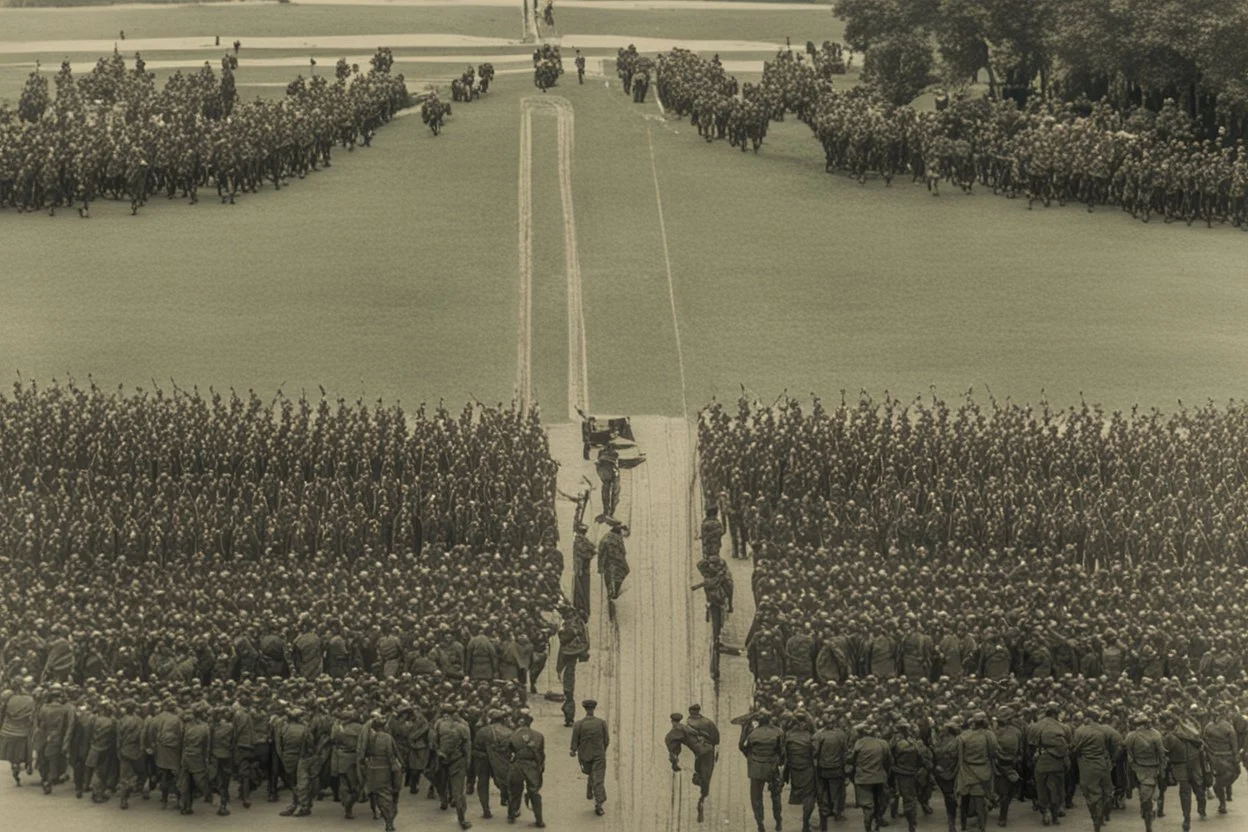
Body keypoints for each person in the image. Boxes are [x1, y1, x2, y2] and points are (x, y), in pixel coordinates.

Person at [1161, 710, 1208, 831]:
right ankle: (1194, 813)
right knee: (1194, 788)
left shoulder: (1169, 736)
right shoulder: (1187, 730)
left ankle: (1189, 816)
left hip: (1185, 764)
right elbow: (1198, 735)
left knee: (1188, 790)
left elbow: (1164, 752)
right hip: (1192, 762)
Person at [742, 708, 786, 832]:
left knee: (756, 798)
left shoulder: (753, 733)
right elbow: (782, 752)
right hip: (772, 768)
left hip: (756, 769)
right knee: (776, 797)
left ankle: (760, 823)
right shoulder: (778, 732)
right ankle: (778, 822)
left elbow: (745, 748)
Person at [1072, 708, 1115, 832]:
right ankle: (1103, 811)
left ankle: (1096, 816)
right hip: (1103, 764)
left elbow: (1075, 749)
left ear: (1088, 718)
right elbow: (1113, 745)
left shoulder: (1080, 731)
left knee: (1090, 794)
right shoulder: (1105, 730)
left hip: (1087, 766)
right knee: (1106, 791)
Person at [955, 712, 999, 832]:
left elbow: (959, 757)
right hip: (983, 771)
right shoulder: (989, 735)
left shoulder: (963, 736)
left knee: (964, 800)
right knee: (981, 803)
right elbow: (994, 753)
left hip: (966, 770)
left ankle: (963, 826)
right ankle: (982, 827)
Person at [358, 712, 402, 832]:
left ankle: (376, 811)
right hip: (385, 768)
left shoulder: (368, 738)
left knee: (375, 794)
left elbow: (363, 754)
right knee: (388, 795)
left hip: (371, 768)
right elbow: (393, 754)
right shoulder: (387, 738)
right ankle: (389, 822)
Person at [432, 703, 473, 829]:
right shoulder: (463, 726)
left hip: (441, 759)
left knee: (440, 782)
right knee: (458, 792)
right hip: (457, 760)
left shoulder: (438, 724)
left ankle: (443, 800)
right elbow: (467, 747)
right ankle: (462, 819)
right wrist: (467, 762)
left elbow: (433, 742)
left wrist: (439, 752)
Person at [1029, 701, 1070, 826]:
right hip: (1057, 761)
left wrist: (1032, 760)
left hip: (1041, 760)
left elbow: (1030, 746)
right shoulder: (1063, 727)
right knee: (1056, 788)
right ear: (1056, 713)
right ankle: (1055, 814)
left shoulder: (1035, 726)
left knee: (1041, 788)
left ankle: (1045, 812)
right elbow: (1069, 746)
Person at [1124, 713, 1167, 832]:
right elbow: (1162, 755)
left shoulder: (1134, 735)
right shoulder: (1154, 735)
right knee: (1145, 797)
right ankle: (1148, 815)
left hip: (1147, 771)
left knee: (1146, 798)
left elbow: (1161, 754)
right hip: (1143, 770)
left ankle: (1148, 819)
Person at [849, 722, 891, 832]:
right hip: (880, 778)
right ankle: (877, 824)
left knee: (868, 807)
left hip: (863, 779)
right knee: (880, 802)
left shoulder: (859, 744)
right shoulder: (883, 743)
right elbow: (889, 762)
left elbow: (852, 760)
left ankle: (868, 828)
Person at [507, 709, 545, 827]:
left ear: (520, 722)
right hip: (532, 766)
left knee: (515, 791)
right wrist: (541, 767)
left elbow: (508, 753)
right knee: (534, 792)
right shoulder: (539, 736)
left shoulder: (512, 735)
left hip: (517, 765)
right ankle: (539, 819)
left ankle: (512, 815)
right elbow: (542, 754)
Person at [571, 699, 609, 815]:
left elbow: (575, 741)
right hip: (598, 755)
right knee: (599, 779)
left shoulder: (579, 724)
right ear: (593, 709)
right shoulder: (601, 723)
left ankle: (593, 793)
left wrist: (573, 750)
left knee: (592, 773)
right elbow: (606, 740)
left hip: (584, 756)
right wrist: (602, 751)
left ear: (585, 709)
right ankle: (599, 804)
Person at [33, 685, 73, 795]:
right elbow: (69, 726)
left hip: (43, 737)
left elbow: (39, 722)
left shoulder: (44, 707)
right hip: (56, 738)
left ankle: (44, 778)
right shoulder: (65, 709)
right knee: (54, 762)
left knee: (43, 760)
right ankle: (49, 781)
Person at [473, 709, 512, 819]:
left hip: (483, 760)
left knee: (483, 784)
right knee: (504, 781)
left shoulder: (482, 731)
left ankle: (486, 810)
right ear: (503, 719)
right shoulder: (508, 732)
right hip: (501, 761)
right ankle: (510, 807)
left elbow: (476, 747)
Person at [0, 678, 35, 786]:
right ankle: (20, 765)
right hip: (23, 731)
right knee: (20, 753)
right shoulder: (30, 700)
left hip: (8, 731)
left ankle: (14, 765)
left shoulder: (8, 699)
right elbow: (32, 717)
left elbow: (2, 713)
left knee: (11, 753)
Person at [572, 521, 595, 621]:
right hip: (580, 570)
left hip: (583, 569)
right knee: (581, 591)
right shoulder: (579, 541)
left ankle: (583, 610)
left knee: (582, 590)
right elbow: (590, 551)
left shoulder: (580, 540)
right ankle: (582, 610)